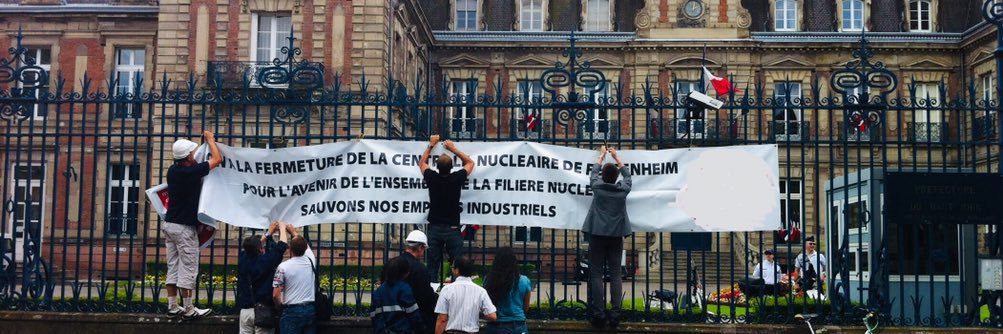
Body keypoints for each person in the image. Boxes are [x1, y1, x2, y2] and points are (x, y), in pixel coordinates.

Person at [164, 130, 222, 319]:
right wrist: (211, 140)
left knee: (173, 266)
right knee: (188, 268)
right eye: (191, 152)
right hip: (183, 228)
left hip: (169, 224)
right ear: (188, 156)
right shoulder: (190, 172)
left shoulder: (173, 171)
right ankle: (188, 309)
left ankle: (173, 306)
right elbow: (217, 159)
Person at [580, 146, 631, 329]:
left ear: (603, 176)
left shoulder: (597, 187)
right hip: (616, 236)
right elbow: (628, 177)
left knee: (596, 274)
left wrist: (601, 155)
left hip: (597, 235)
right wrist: (617, 157)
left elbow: (593, 172)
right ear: (616, 177)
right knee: (616, 274)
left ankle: (599, 314)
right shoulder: (622, 190)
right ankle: (616, 314)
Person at [419, 134, 475, 282]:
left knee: (432, 265)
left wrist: (431, 145)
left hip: (435, 228)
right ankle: (457, 292)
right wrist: (453, 148)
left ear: (436, 167)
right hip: (452, 228)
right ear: (451, 167)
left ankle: (432, 295)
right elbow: (470, 163)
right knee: (458, 265)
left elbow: (422, 163)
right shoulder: (456, 178)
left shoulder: (432, 177)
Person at [237, 222, 290, 334]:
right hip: (264, 310)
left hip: (245, 311)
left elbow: (251, 248)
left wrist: (268, 233)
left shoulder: (242, 259)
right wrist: (281, 227)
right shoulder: (266, 261)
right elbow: (282, 246)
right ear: (260, 249)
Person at [433, 256, 497, 334]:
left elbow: (442, 319)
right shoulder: (481, 291)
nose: (452, 269)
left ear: (456, 270)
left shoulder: (447, 290)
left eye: (453, 267)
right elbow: (493, 316)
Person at [273, 224, 317, 334]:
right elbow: (305, 246)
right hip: (310, 309)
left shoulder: (283, 267)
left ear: (290, 249)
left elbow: (275, 295)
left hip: (291, 311)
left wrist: (279, 307)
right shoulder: (311, 260)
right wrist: (293, 232)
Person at [396, 230, 438, 334]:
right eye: (424, 249)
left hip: (393, 319)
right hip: (414, 321)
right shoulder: (419, 268)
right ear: (420, 247)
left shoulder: (392, 263)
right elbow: (425, 297)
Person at [483, 247, 532, 334]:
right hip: (519, 324)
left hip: (497, 325)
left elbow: (486, 304)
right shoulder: (524, 281)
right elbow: (526, 307)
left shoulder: (489, 280)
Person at [371, 257, 426, 334]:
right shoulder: (404, 289)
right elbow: (414, 315)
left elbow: (374, 316)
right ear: (405, 273)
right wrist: (421, 329)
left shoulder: (378, 291)